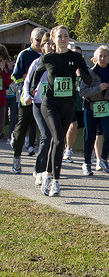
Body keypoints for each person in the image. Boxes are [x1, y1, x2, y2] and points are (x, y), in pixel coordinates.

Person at [30, 25, 92, 196]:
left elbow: (87, 78)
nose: (63, 39)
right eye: (60, 36)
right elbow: (37, 74)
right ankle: (54, 180)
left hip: (68, 104)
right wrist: (32, 88)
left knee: (58, 142)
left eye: (66, 36)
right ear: (53, 39)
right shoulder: (48, 58)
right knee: (57, 138)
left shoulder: (75, 57)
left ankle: (47, 174)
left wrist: (80, 72)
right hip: (50, 104)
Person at [79, 45, 109, 175]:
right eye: (100, 56)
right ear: (95, 57)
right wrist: (98, 88)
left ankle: (103, 159)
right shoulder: (89, 73)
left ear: (108, 57)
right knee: (90, 136)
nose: (103, 58)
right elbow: (82, 91)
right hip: (91, 107)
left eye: (105, 56)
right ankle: (87, 163)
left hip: (106, 106)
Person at [11, 27, 46, 173]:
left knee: (45, 131)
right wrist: (25, 79)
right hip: (27, 98)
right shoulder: (24, 55)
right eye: (38, 40)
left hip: (44, 99)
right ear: (31, 40)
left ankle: (41, 165)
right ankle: (17, 157)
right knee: (22, 128)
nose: (40, 43)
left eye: (43, 40)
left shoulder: (50, 55)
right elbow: (15, 76)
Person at [22, 32, 53, 185]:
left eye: (52, 43)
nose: (50, 46)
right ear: (42, 46)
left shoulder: (58, 62)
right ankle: (40, 170)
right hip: (39, 104)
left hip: (55, 105)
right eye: (47, 43)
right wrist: (27, 95)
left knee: (54, 138)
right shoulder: (37, 62)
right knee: (46, 135)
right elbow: (27, 81)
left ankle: (48, 170)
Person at [62, 45, 86, 163]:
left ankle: (90, 154)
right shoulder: (66, 69)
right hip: (69, 104)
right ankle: (68, 149)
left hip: (82, 105)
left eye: (79, 54)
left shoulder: (85, 70)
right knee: (73, 125)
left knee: (82, 128)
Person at [0, 45, 13, 141]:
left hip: (2, 100)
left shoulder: (5, 67)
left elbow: (8, 82)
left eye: (3, 58)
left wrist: (3, 69)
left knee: (1, 126)